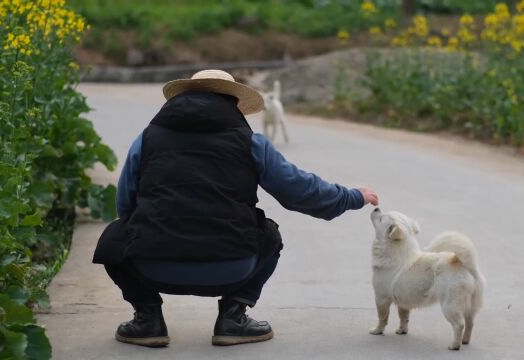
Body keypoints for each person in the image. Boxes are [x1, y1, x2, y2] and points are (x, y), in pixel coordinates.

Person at [92, 70, 379, 348]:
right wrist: (352, 196)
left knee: (114, 238)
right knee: (270, 235)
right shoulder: (250, 142)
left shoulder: (147, 138)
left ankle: (147, 319)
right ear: (235, 103)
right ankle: (233, 317)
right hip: (232, 268)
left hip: (152, 267)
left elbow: (125, 203)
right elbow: (299, 191)